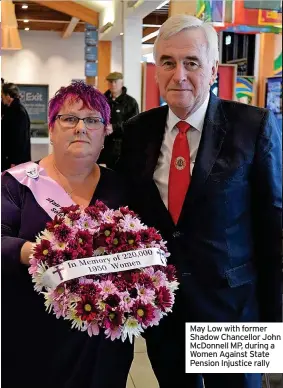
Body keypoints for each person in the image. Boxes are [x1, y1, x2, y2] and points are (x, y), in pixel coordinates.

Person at [117, 15, 282, 388]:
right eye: (168, 62)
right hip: (164, 307)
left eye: (191, 62)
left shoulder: (252, 125)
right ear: (156, 70)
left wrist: (275, 316)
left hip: (232, 309)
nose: (179, 75)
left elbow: (273, 225)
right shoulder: (137, 132)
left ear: (212, 71)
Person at [1, 81, 133, 388]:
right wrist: (39, 253)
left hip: (103, 342)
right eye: (69, 118)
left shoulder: (123, 187)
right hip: (33, 335)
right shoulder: (16, 184)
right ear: (51, 129)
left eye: (92, 120)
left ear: (105, 133)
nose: (81, 128)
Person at [97, 72, 139, 169]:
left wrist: (114, 127)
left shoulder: (130, 102)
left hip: (122, 148)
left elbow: (134, 124)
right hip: (103, 146)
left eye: (115, 82)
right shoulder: (102, 101)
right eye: (110, 82)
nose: (113, 84)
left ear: (122, 82)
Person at [1, 82, 31, 171]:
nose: (1, 98)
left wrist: (14, 162)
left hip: (14, 161)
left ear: (8, 96)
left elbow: (19, 139)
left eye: (2, 95)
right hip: (10, 159)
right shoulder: (11, 110)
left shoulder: (18, 112)